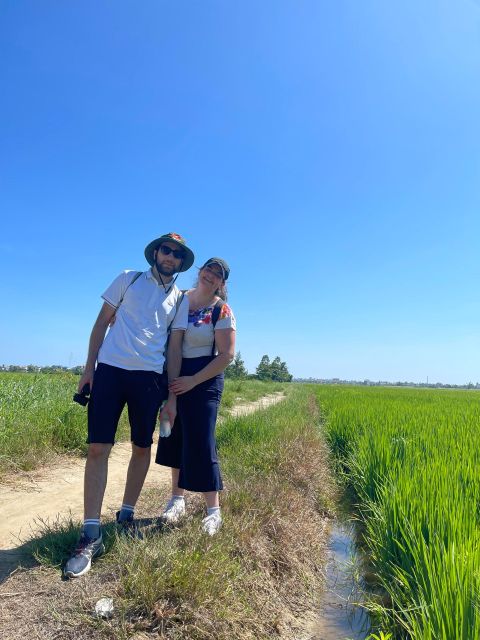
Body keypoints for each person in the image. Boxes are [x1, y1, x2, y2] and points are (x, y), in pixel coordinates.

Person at [64, 232, 194, 578]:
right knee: (97, 448)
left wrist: (172, 397)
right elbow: (100, 323)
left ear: (181, 263)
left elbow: (175, 348)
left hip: (149, 380)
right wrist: (88, 368)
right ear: (156, 253)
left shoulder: (180, 300)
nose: (170, 257)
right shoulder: (128, 278)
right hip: (110, 372)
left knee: (141, 447)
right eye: (166, 250)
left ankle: (126, 514)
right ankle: (91, 532)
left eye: (177, 254)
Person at [155, 257, 236, 536]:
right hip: (175, 372)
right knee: (173, 435)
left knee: (202, 441)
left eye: (217, 274)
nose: (210, 275)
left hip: (205, 377)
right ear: (199, 271)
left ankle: (213, 510)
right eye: (208, 270)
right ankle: (176, 500)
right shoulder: (178, 299)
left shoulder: (221, 309)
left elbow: (226, 355)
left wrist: (193, 380)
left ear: (222, 283)